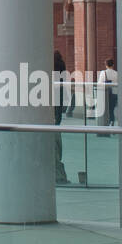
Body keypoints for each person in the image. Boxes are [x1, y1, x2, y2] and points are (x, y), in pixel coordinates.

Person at [53, 50, 69, 183]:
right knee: (56, 113)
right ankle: (56, 122)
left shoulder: (50, 64)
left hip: (51, 92)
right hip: (59, 91)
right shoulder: (62, 64)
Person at [98, 57, 118, 126]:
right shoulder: (116, 73)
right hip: (115, 93)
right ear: (113, 65)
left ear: (106, 65)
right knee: (112, 109)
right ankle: (112, 120)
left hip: (106, 93)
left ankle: (107, 122)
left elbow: (99, 83)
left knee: (106, 109)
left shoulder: (103, 73)